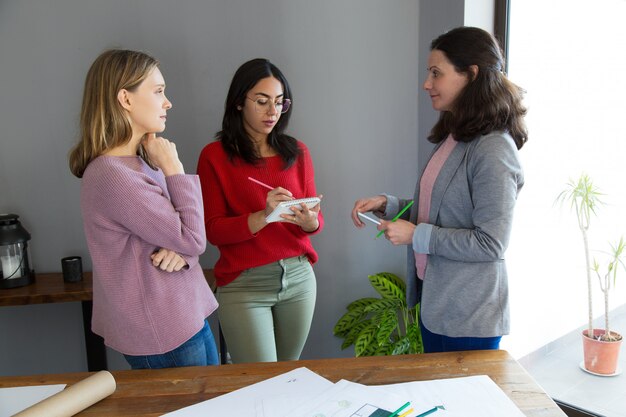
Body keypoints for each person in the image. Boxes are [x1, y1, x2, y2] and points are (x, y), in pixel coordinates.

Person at [351, 26, 527, 353]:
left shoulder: (493, 150)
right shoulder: (456, 136)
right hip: (438, 307)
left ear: (471, 75)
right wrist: (388, 205)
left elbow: (491, 243)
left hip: (469, 317)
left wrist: (416, 234)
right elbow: (443, 209)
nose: (426, 84)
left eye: (436, 73)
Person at [68, 49, 219, 369]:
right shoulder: (113, 176)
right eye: (159, 91)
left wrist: (184, 249)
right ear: (125, 98)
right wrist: (174, 167)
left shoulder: (138, 163)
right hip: (163, 329)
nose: (168, 102)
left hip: (184, 315)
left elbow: (186, 238)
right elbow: (193, 237)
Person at [197, 58, 323, 363]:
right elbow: (213, 230)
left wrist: (309, 221)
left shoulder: (297, 151)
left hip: (298, 277)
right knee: (260, 383)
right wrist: (263, 216)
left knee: (288, 376)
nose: (272, 112)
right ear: (239, 102)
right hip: (244, 284)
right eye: (262, 101)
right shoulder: (214, 156)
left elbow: (315, 223)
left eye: (280, 102)